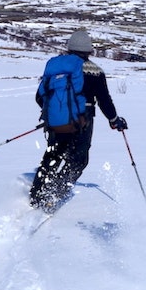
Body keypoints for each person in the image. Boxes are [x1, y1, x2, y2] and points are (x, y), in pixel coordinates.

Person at [30, 29, 127, 211]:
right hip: (83, 121)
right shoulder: (94, 71)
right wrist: (115, 120)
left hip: (54, 125)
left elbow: (39, 97)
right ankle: (55, 194)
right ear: (89, 50)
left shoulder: (55, 67)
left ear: (69, 48)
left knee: (52, 156)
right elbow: (104, 100)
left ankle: (36, 195)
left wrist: (57, 113)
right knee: (78, 160)